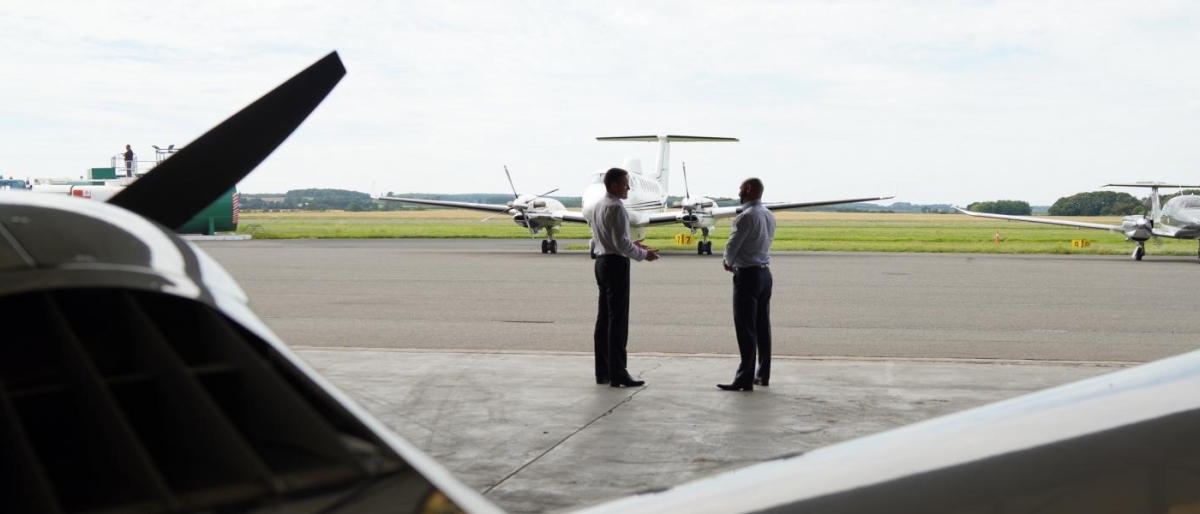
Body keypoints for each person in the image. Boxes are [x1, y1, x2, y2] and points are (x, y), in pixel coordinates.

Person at [590, 167, 660, 387]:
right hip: (616, 265)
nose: (628, 187)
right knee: (618, 321)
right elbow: (621, 244)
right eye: (625, 183)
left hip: (601, 262)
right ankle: (618, 372)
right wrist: (643, 254)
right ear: (614, 186)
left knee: (604, 320)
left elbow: (608, 239)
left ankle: (602, 371)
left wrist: (632, 245)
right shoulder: (618, 208)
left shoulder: (598, 206)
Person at [718, 178, 776, 392]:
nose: (739, 191)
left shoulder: (745, 217)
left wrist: (727, 261)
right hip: (765, 275)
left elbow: (732, 245)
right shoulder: (769, 215)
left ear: (749, 189)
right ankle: (763, 374)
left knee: (745, 328)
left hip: (748, 276)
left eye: (741, 188)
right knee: (763, 327)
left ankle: (744, 378)